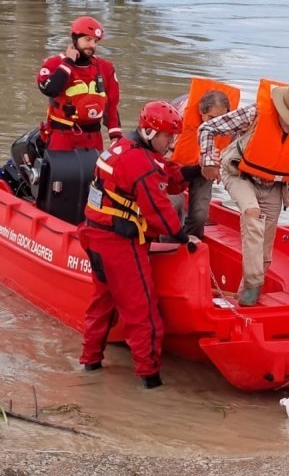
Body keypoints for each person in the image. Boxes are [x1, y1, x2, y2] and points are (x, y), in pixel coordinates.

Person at [77, 101, 201, 389]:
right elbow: (159, 211)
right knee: (143, 312)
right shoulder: (139, 162)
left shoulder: (123, 148)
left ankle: (90, 361)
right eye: (168, 136)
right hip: (118, 243)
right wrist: (183, 236)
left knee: (103, 304)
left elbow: (166, 176)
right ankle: (150, 380)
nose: (171, 142)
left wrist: (193, 172)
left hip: (94, 235)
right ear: (149, 132)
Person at [198, 78, 289, 306]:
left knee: (265, 250)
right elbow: (207, 128)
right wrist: (208, 161)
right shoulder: (255, 114)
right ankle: (254, 283)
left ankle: (246, 298)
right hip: (239, 175)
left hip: (274, 186)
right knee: (252, 212)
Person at [36, 16, 122, 151]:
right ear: (75, 38)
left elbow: (111, 105)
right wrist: (68, 62)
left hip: (93, 139)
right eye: (87, 39)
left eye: (95, 41)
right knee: (60, 172)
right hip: (62, 136)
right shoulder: (54, 64)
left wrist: (115, 136)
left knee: (95, 172)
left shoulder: (106, 68)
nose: (92, 45)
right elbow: (50, 89)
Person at [169, 79, 239, 238]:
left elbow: (231, 155)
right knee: (173, 207)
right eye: (211, 118)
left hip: (205, 169)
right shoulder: (178, 117)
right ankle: (167, 245)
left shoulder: (232, 125)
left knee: (200, 215)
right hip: (175, 166)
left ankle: (191, 244)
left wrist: (222, 168)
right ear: (201, 111)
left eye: (221, 119)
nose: (216, 124)